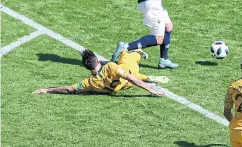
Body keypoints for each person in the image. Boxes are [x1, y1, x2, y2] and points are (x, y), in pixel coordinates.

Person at [33, 49, 166, 96]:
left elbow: (69, 89)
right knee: (125, 55)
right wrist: (150, 89)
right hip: (129, 75)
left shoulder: (89, 82)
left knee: (128, 67)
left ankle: (144, 71)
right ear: (97, 60)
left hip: (122, 87)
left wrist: (47, 90)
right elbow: (132, 78)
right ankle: (138, 53)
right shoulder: (110, 66)